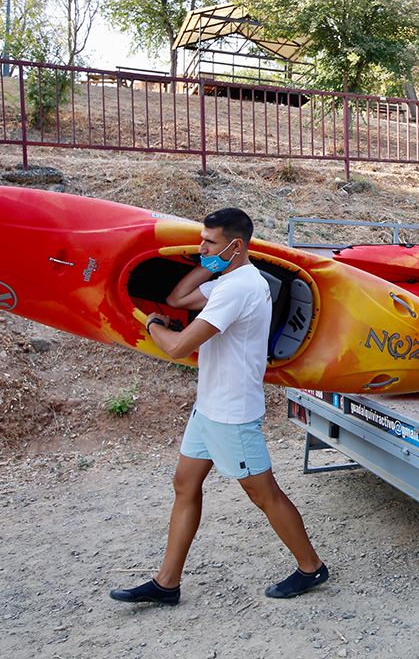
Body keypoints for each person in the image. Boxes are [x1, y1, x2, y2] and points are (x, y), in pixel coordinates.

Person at [109, 207, 327, 605]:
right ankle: (166, 584)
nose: (200, 248)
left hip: (231, 413)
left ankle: (311, 568)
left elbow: (176, 346)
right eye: (202, 240)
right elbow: (179, 296)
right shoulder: (233, 278)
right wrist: (208, 261)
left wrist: (151, 323)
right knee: (185, 484)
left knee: (265, 495)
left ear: (236, 245)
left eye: (209, 242)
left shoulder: (238, 289)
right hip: (209, 407)